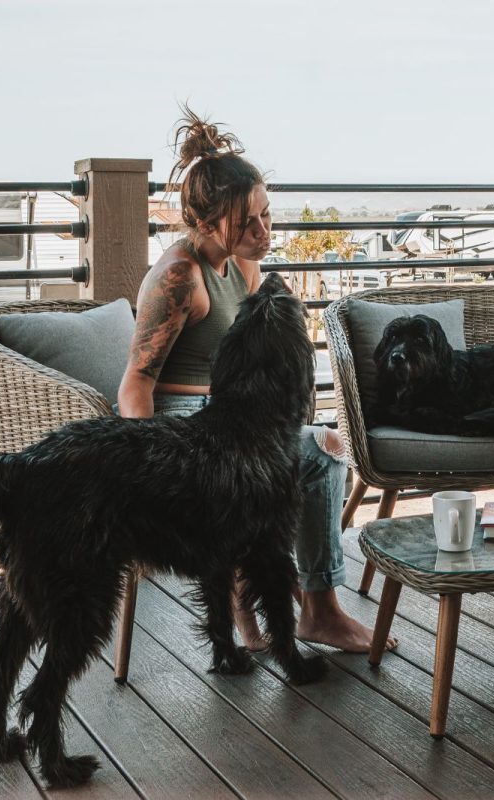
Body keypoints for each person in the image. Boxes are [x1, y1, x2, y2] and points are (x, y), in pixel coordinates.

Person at [117, 108, 395, 653]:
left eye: (267, 215)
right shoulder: (178, 276)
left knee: (320, 441)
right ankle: (319, 609)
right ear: (205, 224)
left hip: (234, 416)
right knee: (319, 455)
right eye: (248, 223)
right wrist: (143, 466)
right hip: (187, 427)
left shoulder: (244, 265)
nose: (264, 232)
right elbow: (136, 383)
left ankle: (272, 594)